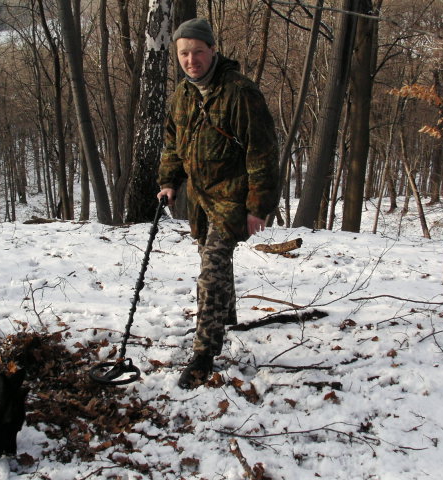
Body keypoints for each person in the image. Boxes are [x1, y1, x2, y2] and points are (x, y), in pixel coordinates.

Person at [157, 18, 280, 389]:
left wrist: (257, 207)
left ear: (212, 50)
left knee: (210, 270)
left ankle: (204, 353)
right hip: (200, 197)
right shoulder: (183, 94)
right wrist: (169, 181)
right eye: (184, 53)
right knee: (212, 261)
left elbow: (263, 153)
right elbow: (172, 141)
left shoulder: (240, 92)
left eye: (197, 51)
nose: (191, 59)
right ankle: (226, 320)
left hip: (233, 197)